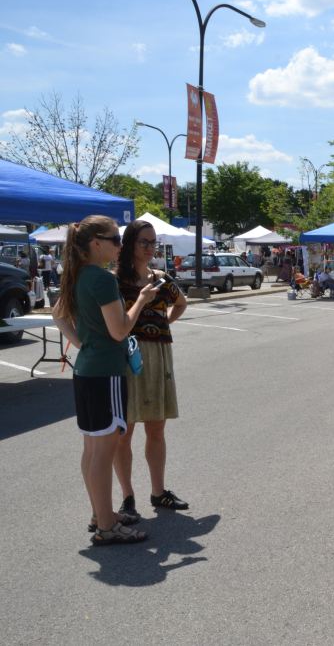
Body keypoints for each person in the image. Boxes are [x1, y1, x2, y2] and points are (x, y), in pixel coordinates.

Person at [52, 215, 157, 545]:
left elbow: (57, 315)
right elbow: (120, 330)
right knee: (103, 451)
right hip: (105, 374)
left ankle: (102, 514)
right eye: (115, 239)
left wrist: (84, 344)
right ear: (96, 243)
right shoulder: (100, 279)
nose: (120, 245)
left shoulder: (77, 275)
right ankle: (107, 525)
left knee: (92, 448)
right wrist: (141, 300)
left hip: (86, 371)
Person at [112, 219, 190, 522]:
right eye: (143, 242)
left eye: (152, 242)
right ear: (130, 243)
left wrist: (163, 322)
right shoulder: (116, 280)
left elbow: (180, 303)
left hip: (158, 353)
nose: (149, 248)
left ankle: (158, 491)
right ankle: (127, 497)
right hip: (126, 356)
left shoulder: (160, 278)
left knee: (156, 427)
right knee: (124, 431)